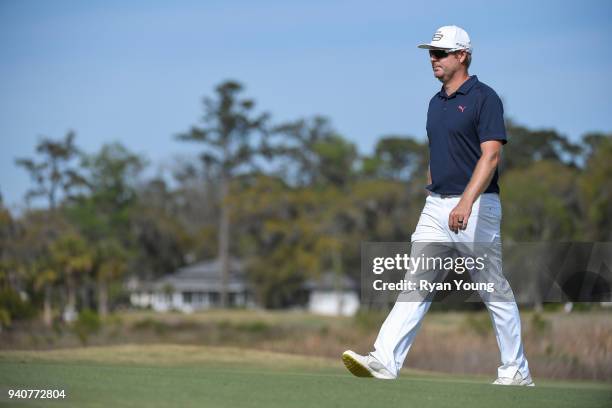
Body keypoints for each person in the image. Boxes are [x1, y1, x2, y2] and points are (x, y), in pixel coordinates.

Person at [342, 25, 534, 386]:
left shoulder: (484, 98)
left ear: (462, 55)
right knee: (415, 282)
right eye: (431, 53)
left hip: (476, 207)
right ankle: (385, 360)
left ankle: (516, 370)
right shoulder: (435, 102)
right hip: (436, 206)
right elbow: (438, 153)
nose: (433, 59)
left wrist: (464, 201)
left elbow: (490, 157)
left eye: (440, 53)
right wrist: (434, 193)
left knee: (492, 288)